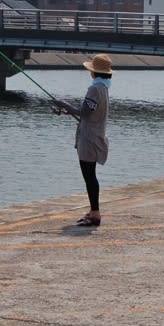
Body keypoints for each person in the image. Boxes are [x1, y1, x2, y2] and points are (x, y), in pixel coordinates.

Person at [53, 54, 113, 227]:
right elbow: (90, 113)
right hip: (95, 136)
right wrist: (67, 111)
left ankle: (95, 214)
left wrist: (63, 104)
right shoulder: (104, 88)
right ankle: (94, 211)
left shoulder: (95, 89)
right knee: (90, 176)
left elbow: (85, 112)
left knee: (89, 176)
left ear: (94, 73)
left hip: (89, 139)